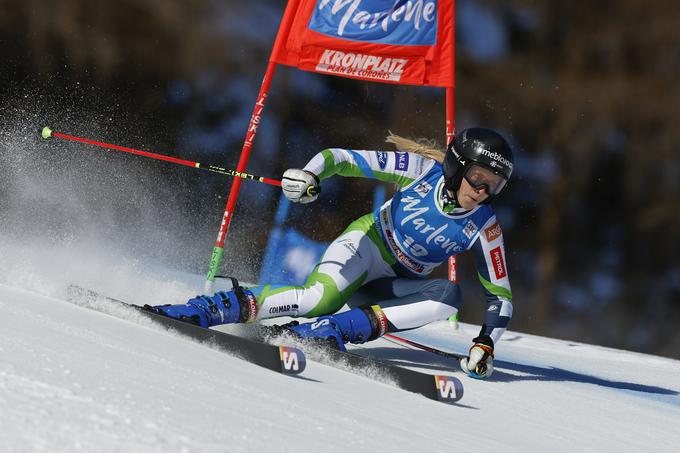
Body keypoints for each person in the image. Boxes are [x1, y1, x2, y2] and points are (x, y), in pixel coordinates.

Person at [148, 127, 514, 379]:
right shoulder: (421, 171)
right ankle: (212, 307)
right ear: (456, 166)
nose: (483, 191)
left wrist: (486, 344)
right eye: (478, 177)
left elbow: (500, 297)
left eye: (494, 185)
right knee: (318, 298)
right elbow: (340, 157)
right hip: (365, 246)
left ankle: (328, 333)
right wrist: (309, 175)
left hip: (390, 288)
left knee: (448, 297)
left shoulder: (484, 226)